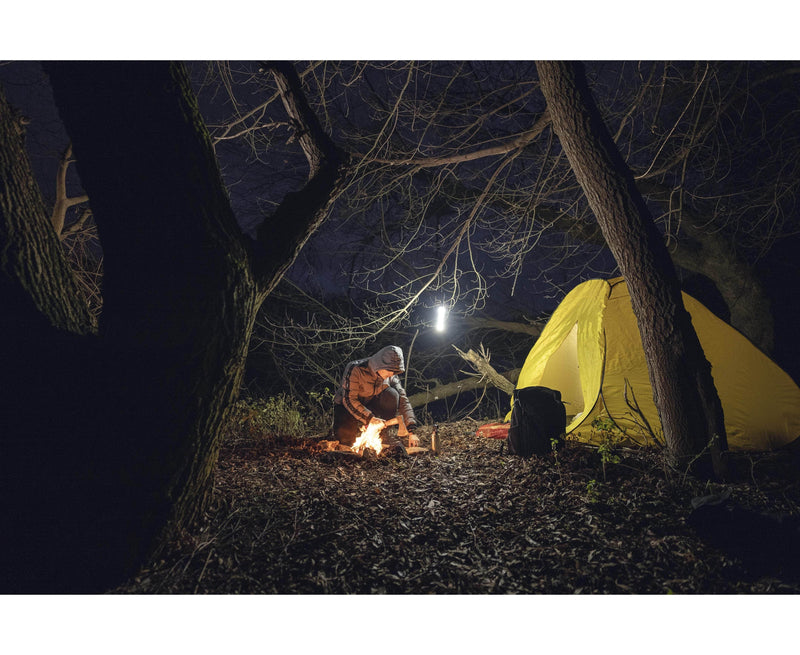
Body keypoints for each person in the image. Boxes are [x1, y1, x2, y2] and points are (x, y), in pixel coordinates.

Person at [333, 345, 419, 450]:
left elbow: (403, 399)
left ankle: (382, 434)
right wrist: (370, 418)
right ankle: (346, 433)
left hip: (370, 403)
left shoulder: (391, 375)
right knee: (346, 442)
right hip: (346, 406)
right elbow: (349, 399)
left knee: (392, 395)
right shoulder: (355, 369)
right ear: (379, 365)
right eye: (389, 370)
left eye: (394, 371)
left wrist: (411, 431)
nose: (391, 374)